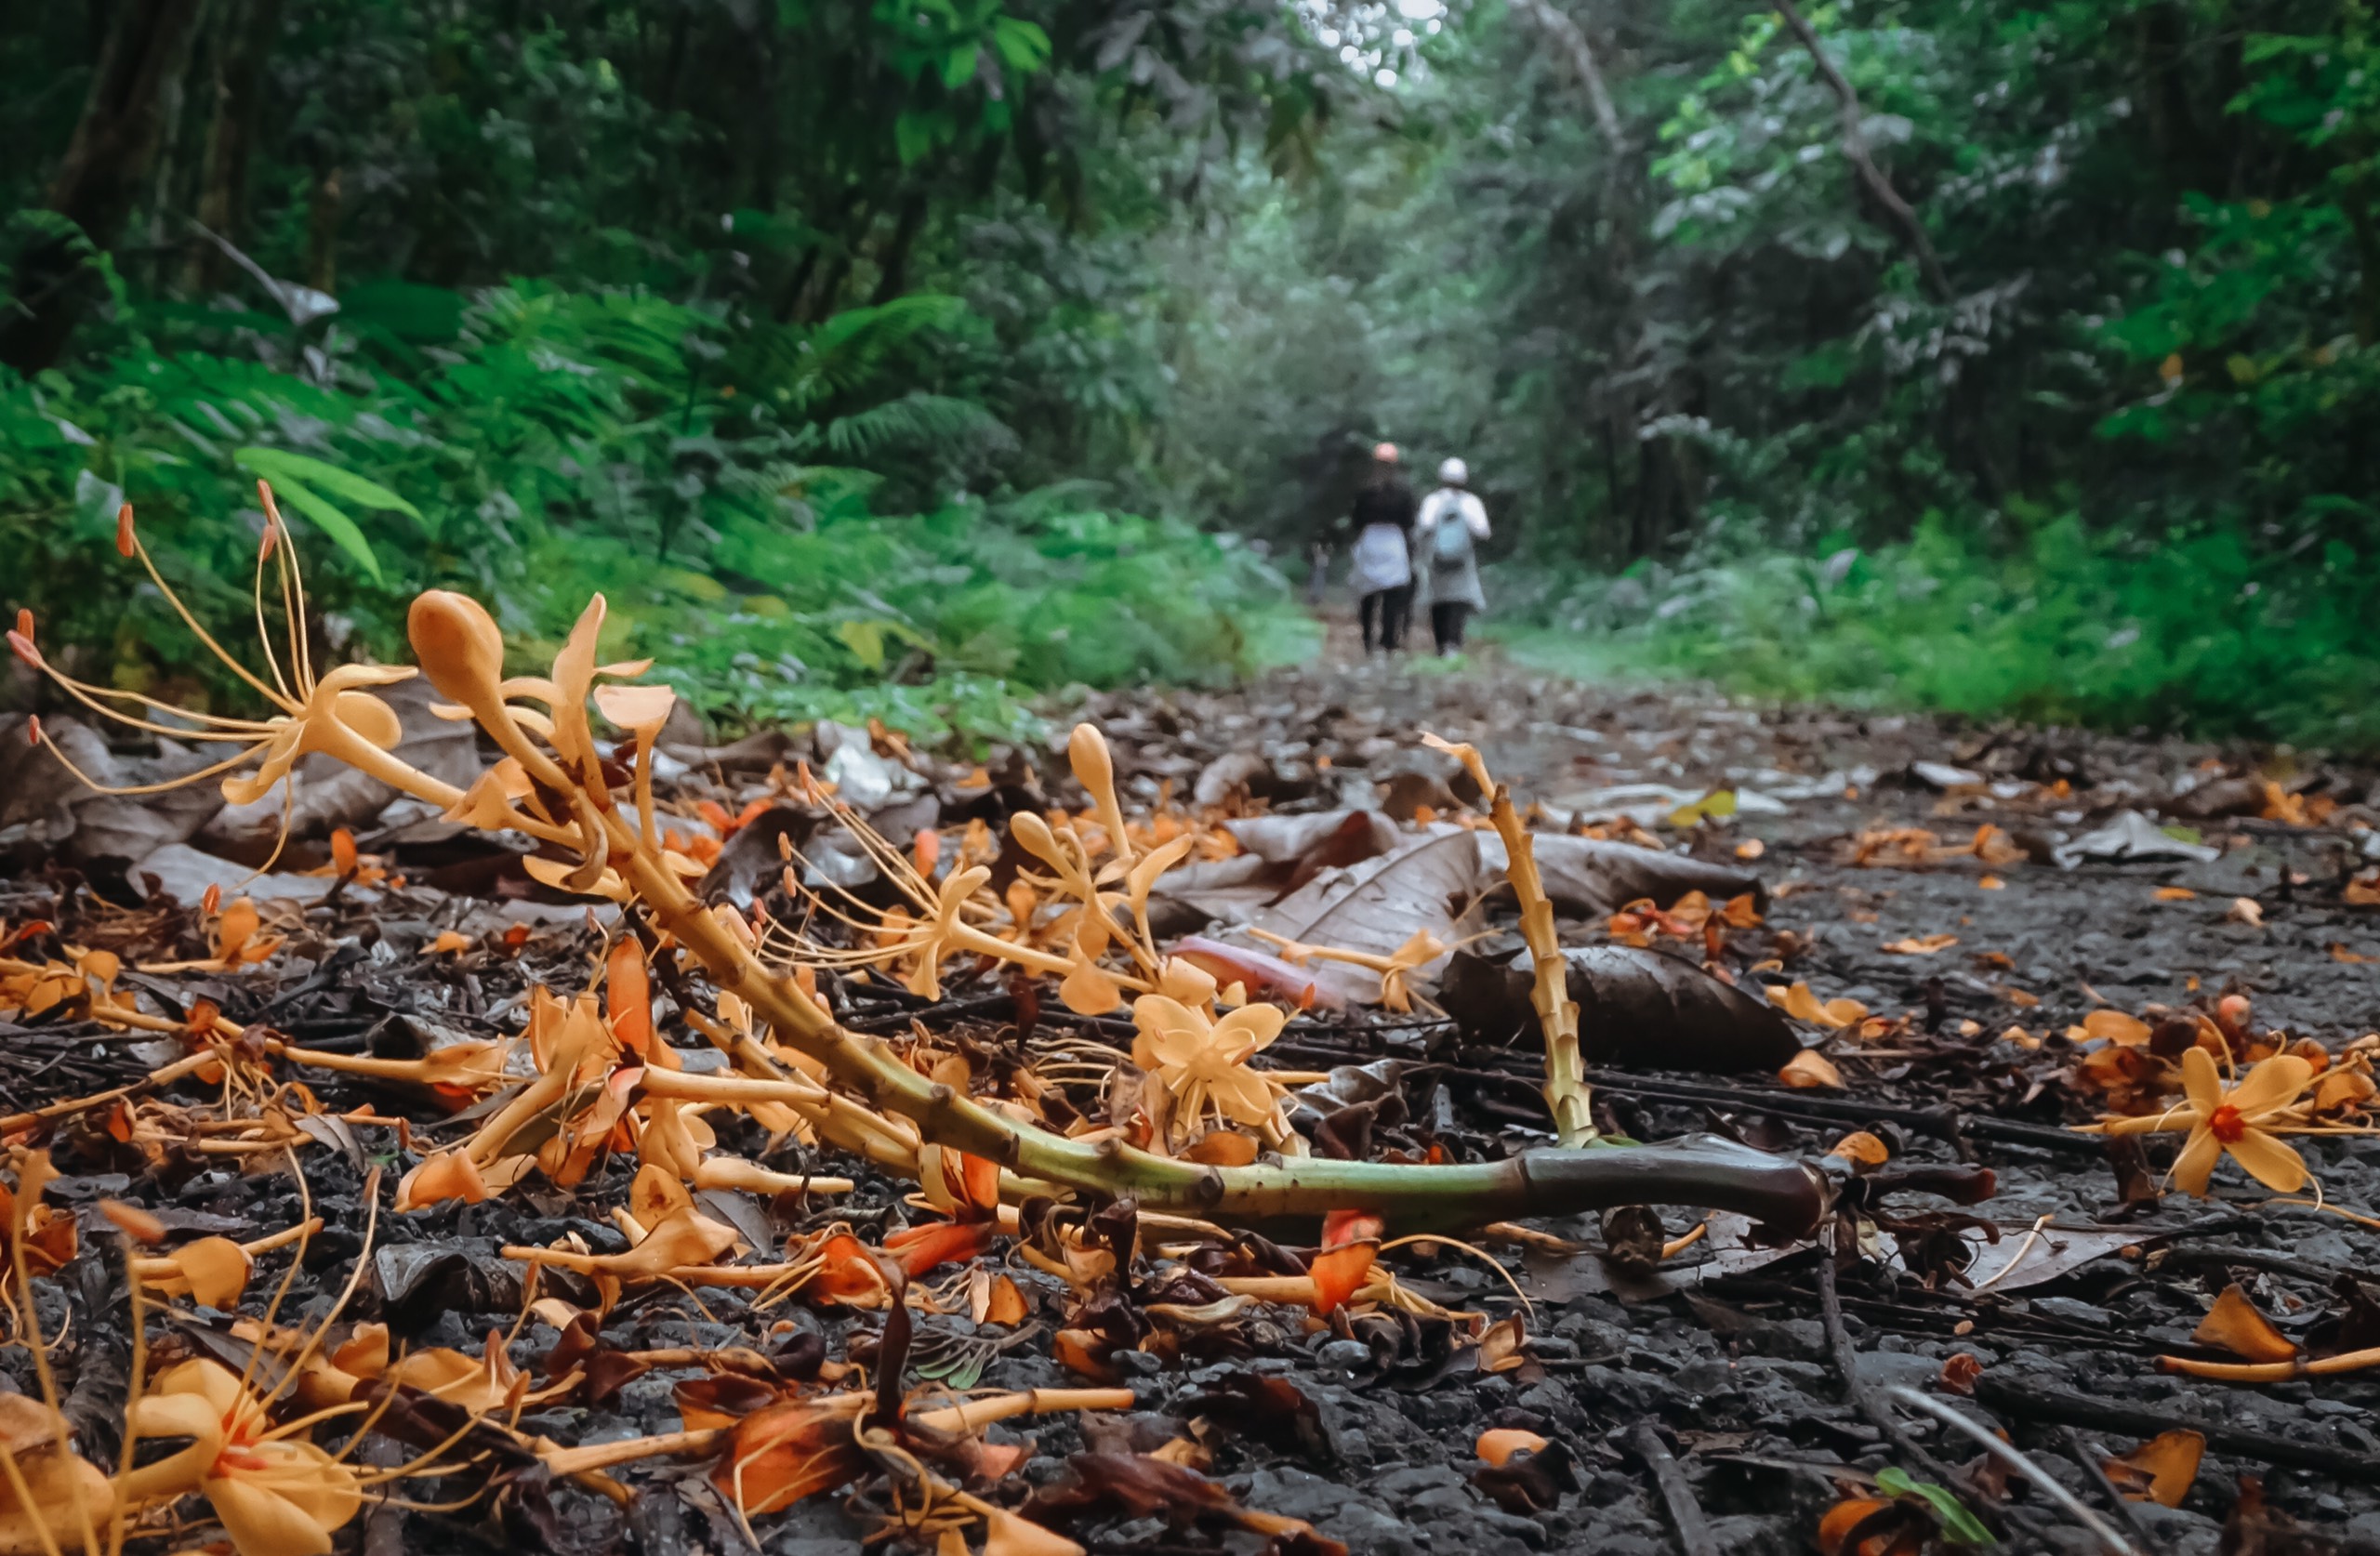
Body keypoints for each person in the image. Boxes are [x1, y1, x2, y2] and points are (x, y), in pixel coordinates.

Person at [1346, 442, 1418, 653]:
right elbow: (1410, 521)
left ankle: (1368, 637)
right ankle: (1387, 640)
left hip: (1370, 541)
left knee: (1368, 592)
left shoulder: (1365, 492)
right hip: (1394, 542)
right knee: (1392, 594)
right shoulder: (1403, 493)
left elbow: (1356, 521)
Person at [1413, 455, 1489, 655]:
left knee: (1438, 600)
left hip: (1436, 559)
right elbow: (1483, 531)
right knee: (1459, 600)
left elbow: (1424, 526)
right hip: (1462, 560)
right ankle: (1453, 643)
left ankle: (1441, 644)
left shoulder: (1433, 501)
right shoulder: (1471, 502)